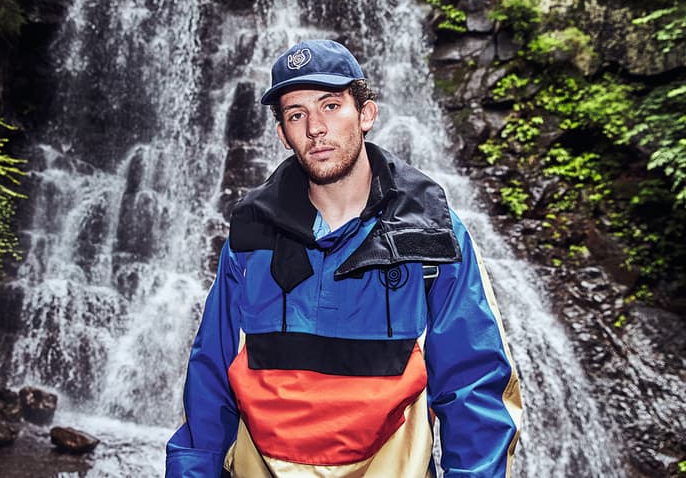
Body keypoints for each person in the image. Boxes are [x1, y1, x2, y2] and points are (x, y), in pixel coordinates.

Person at [165, 39, 522, 477]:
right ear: (282, 134)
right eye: (297, 114)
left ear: (366, 114)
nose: (315, 127)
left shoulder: (430, 236)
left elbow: (475, 385)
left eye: (331, 105)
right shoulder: (250, 237)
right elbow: (210, 379)